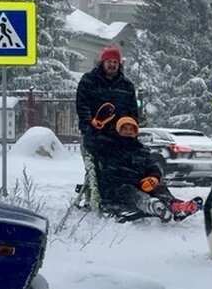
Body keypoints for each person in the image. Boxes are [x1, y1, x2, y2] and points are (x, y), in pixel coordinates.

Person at [75, 46, 198, 220]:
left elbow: (133, 113)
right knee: (126, 189)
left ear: (119, 64)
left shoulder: (126, 87)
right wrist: (90, 128)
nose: (112, 65)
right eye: (109, 62)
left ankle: (174, 204)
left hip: (123, 141)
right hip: (99, 138)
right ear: (102, 62)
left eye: (115, 62)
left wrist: (153, 177)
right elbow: (82, 107)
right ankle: (152, 205)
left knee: (156, 186)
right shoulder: (89, 81)